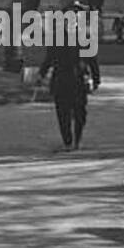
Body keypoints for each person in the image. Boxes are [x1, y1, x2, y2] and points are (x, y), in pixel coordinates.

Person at [39, 16, 101, 151]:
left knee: (80, 113)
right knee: (63, 113)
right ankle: (68, 141)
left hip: (78, 80)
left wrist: (96, 79)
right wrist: (42, 73)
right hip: (61, 79)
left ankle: (76, 140)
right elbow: (49, 58)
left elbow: (92, 60)